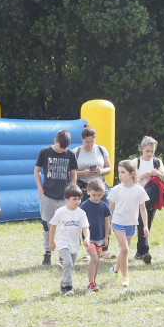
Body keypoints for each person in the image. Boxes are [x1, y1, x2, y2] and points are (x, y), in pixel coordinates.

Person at [34, 130, 78, 266]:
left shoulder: (70, 154)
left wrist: (71, 190)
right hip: (48, 196)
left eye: (65, 147)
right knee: (47, 225)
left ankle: (62, 255)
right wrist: (40, 189)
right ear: (55, 141)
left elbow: (73, 174)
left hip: (63, 197)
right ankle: (47, 253)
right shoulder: (45, 152)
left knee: (63, 226)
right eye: (61, 146)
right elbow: (37, 171)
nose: (62, 150)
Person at [107, 160, 149, 288]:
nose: (120, 175)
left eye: (123, 172)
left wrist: (145, 226)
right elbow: (111, 207)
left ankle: (115, 269)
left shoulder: (139, 190)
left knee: (124, 251)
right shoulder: (116, 190)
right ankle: (125, 276)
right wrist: (109, 224)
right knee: (124, 249)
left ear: (131, 173)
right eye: (119, 172)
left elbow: (143, 209)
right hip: (118, 222)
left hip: (131, 223)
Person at [49, 184, 92, 296]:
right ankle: (67, 287)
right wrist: (51, 241)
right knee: (68, 263)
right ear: (66, 199)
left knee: (70, 265)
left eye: (79, 199)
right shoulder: (60, 212)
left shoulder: (81, 213)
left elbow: (85, 228)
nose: (77, 201)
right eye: (74, 199)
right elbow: (53, 226)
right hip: (62, 242)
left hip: (74, 244)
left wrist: (87, 238)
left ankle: (63, 283)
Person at [133, 136, 164, 263]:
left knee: (147, 224)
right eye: (147, 151)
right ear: (142, 149)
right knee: (142, 223)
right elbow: (131, 181)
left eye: (152, 151)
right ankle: (144, 251)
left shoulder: (157, 162)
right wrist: (144, 176)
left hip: (153, 197)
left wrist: (157, 174)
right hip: (138, 197)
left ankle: (139, 251)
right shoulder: (135, 162)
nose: (150, 154)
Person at [80, 178, 111, 292]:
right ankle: (91, 283)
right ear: (88, 191)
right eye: (94, 195)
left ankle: (93, 281)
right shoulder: (84, 206)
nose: (96, 198)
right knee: (93, 258)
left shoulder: (104, 206)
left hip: (100, 237)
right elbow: (80, 222)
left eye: (99, 195)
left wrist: (106, 237)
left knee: (97, 260)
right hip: (89, 238)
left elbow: (107, 222)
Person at [73, 125, 112, 200]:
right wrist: (83, 173)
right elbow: (70, 173)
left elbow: (109, 168)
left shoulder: (101, 149)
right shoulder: (76, 152)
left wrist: (101, 171)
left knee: (106, 210)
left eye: (92, 141)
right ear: (82, 139)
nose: (90, 144)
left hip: (100, 187)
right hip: (83, 188)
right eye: (87, 142)